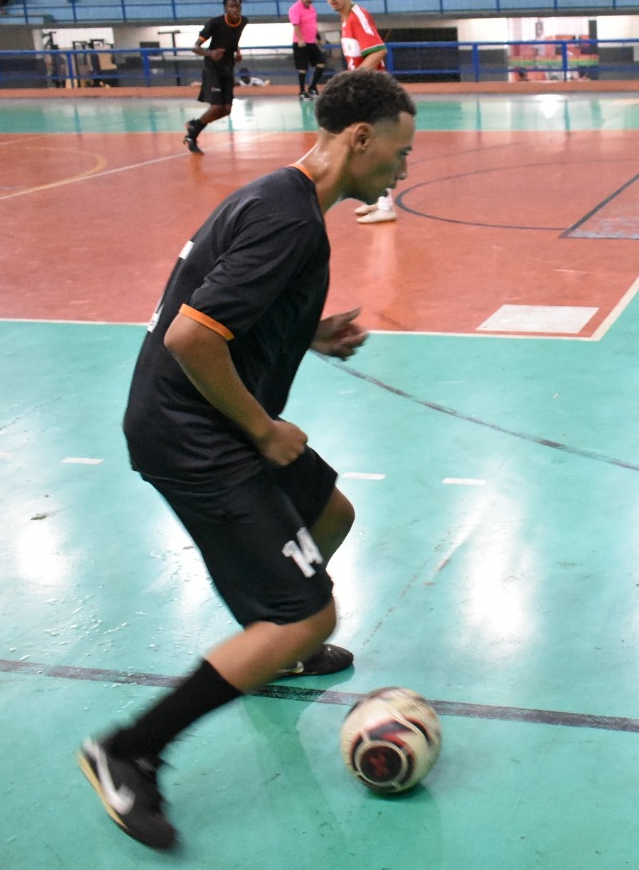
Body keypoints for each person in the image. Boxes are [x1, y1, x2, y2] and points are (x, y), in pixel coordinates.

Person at [78, 68, 416, 850]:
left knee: (331, 511)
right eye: (400, 152)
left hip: (204, 416)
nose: (404, 169)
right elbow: (191, 336)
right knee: (309, 611)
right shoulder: (291, 220)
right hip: (192, 432)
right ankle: (128, 747)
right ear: (359, 138)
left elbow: (228, 306)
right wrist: (264, 431)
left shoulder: (281, 196)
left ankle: (279, 648)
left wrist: (310, 331)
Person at [321, 0, 397, 225]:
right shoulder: (344, 22)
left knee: (373, 150)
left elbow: (377, 51)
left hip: (375, 92)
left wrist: (353, 81)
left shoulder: (357, 16)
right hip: (363, 93)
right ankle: (378, 199)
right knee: (364, 149)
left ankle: (386, 206)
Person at [183, 0, 246, 154]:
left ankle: (194, 124)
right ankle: (191, 136)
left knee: (226, 110)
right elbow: (195, 47)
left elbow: (234, 39)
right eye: (230, 6)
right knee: (217, 106)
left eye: (236, 6)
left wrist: (237, 52)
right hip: (213, 68)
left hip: (228, 67)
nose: (234, 9)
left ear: (240, 8)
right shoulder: (215, 23)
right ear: (225, 8)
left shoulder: (243, 21)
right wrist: (210, 54)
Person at [289, 0, 327, 98]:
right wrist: (300, 39)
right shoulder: (295, 8)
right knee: (302, 68)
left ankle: (312, 86)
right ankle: (301, 91)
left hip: (312, 42)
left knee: (321, 63)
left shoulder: (312, 8)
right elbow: (295, 24)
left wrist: (318, 37)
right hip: (300, 43)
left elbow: (313, 24)